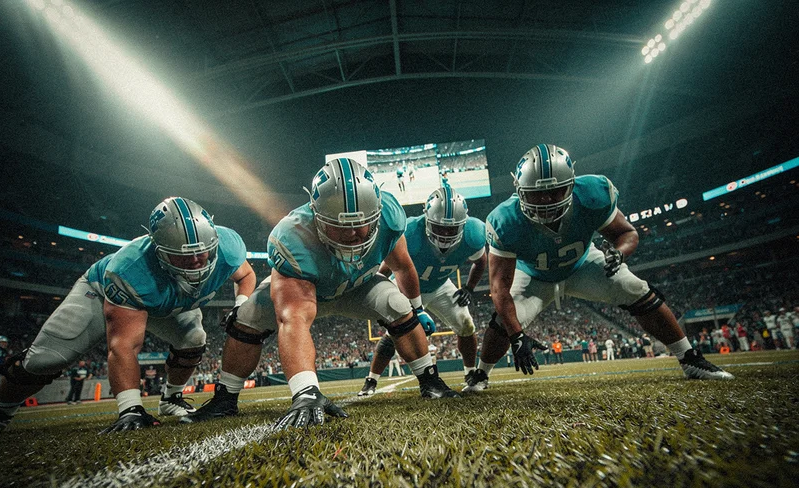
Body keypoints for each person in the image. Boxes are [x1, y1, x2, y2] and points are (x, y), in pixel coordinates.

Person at [185, 158, 458, 429]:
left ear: (376, 211)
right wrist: (306, 391)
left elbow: (404, 267)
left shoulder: (389, 215)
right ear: (317, 217)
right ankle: (225, 399)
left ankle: (430, 381)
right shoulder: (292, 237)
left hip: (357, 286)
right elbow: (293, 319)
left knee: (397, 303)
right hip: (307, 288)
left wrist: (418, 309)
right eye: (340, 225)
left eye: (362, 222)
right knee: (245, 319)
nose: (354, 232)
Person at [0, 197, 256, 439]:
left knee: (194, 340)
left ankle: (171, 399)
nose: (195, 261)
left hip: (169, 302)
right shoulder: (132, 269)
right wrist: (130, 409)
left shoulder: (227, 246)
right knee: (45, 360)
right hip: (106, 293)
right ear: (159, 250)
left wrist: (240, 305)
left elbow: (246, 275)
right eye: (183, 256)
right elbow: (123, 347)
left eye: (202, 253)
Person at [470, 144, 733, 385]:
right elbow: (499, 289)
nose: (546, 201)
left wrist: (619, 253)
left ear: (571, 185)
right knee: (503, 320)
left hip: (583, 263)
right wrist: (517, 336)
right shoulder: (505, 219)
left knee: (635, 288)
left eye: (554, 192)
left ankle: (689, 358)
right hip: (533, 276)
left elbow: (627, 234)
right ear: (520, 192)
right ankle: (481, 374)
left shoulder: (592, 194)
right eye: (537, 195)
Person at [358, 184, 487, 396]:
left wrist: (469, 288)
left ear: (463, 225)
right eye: (439, 228)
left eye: (451, 229)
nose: (445, 234)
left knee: (466, 323)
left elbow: (481, 262)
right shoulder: (410, 232)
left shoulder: (473, 233)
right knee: (395, 333)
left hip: (440, 285)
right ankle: (371, 380)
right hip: (408, 289)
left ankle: (471, 373)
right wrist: (383, 294)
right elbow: (387, 269)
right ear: (426, 219)